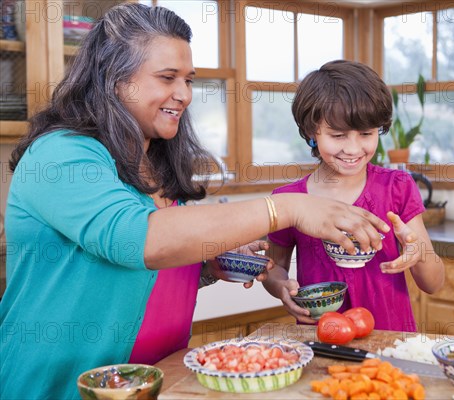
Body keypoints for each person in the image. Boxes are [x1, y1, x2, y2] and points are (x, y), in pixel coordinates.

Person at [0, 6, 389, 399]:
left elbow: (151, 268)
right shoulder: (62, 155)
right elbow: (137, 238)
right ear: (113, 79)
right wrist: (287, 209)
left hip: (154, 383)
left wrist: (208, 263)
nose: (184, 94)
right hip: (56, 388)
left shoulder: (154, 165)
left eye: (188, 80)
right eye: (167, 78)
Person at [262, 60, 445, 332]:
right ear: (312, 133)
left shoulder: (397, 187)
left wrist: (419, 254)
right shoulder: (289, 201)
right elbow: (274, 268)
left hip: (391, 340)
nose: (353, 148)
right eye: (338, 135)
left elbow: (434, 283)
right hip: (321, 338)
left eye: (366, 134)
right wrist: (281, 288)